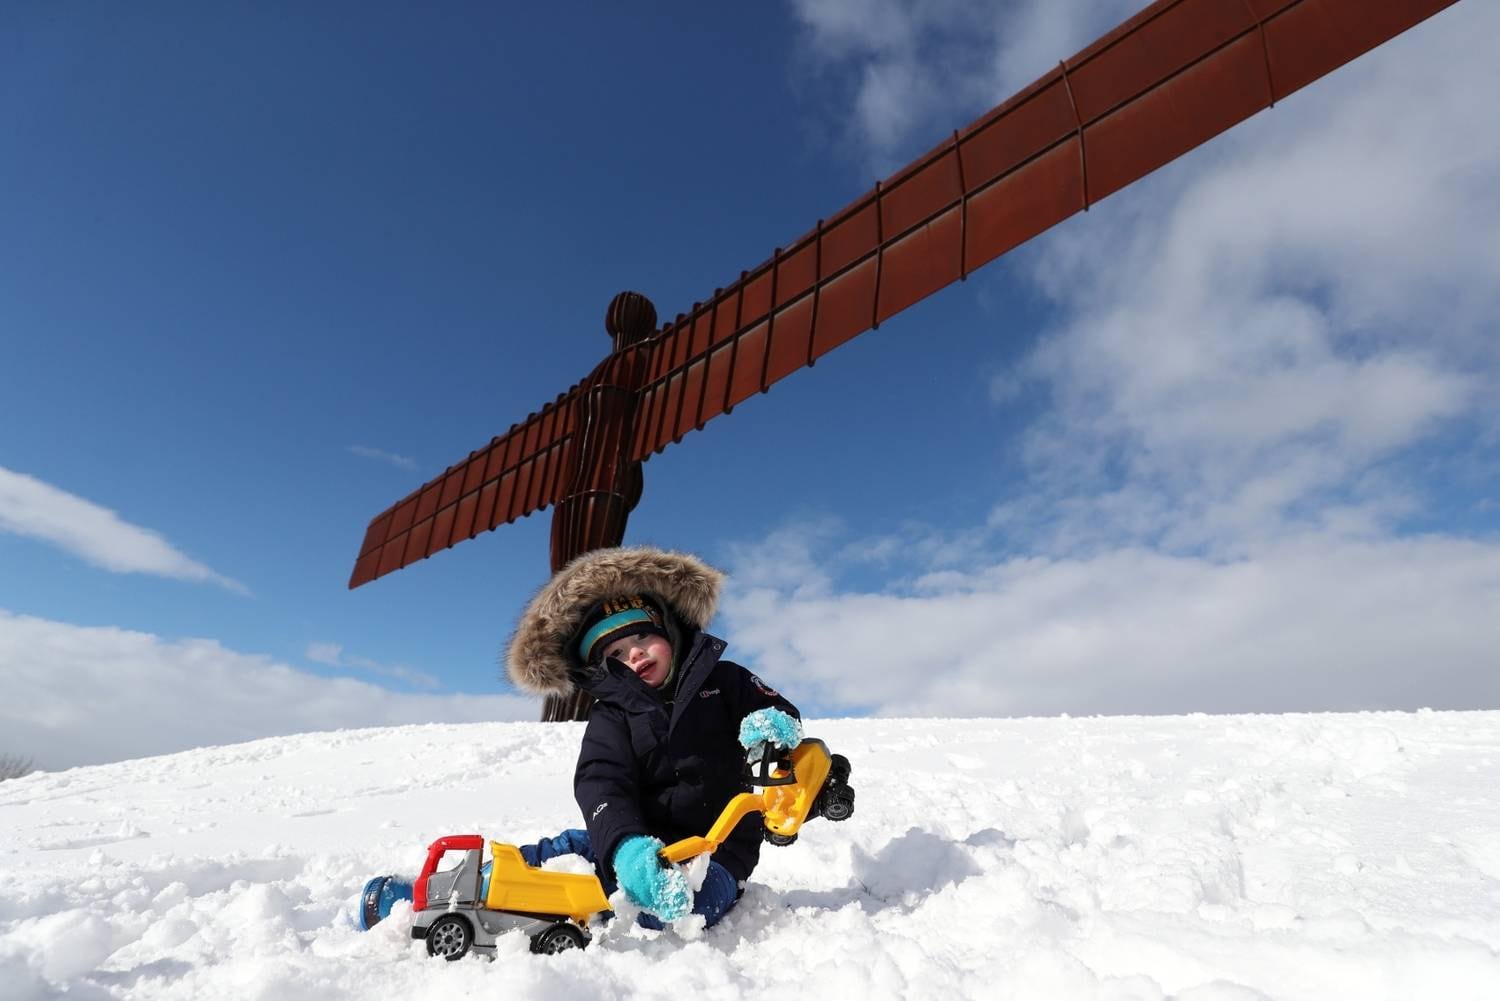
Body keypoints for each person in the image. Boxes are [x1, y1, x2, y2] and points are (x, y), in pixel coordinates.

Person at [358, 545, 802, 933]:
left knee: (686, 906)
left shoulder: (723, 681)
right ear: (603, 668)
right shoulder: (611, 715)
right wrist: (625, 847)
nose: (634, 652)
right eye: (615, 653)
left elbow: (777, 711)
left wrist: (771, 729)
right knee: (558, 856)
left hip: (718, 850)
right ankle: (445, 892)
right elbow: (601, 780)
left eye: (643, 635)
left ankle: (591, 906)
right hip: (634, 840)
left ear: (669, 631)